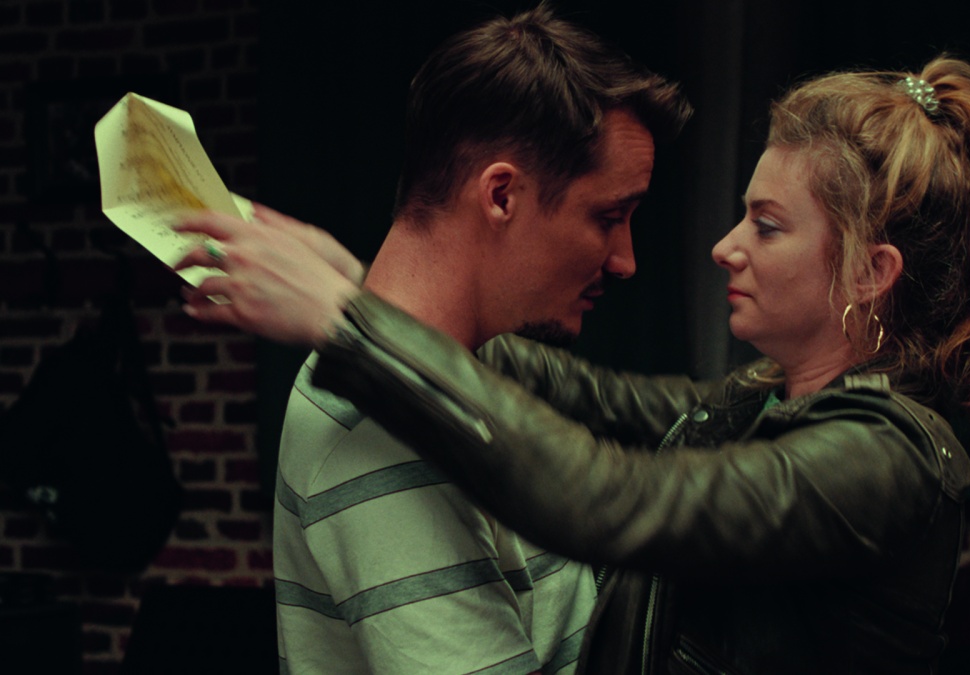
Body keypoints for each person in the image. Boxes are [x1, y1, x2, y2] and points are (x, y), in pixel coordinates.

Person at [178, 57, 970, 673]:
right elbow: (596, 396)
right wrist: (362, 294)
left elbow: (615, 498)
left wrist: (354, 326)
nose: (725, 246)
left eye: (766, 226)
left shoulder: (883, 458)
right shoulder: (768, 399)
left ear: (871, 273)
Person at [176, 6, 691, 674]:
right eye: (608, 216)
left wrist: (355, 291)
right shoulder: (380, 427)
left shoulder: (464, 371)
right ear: (501, 196)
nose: (626, 261)